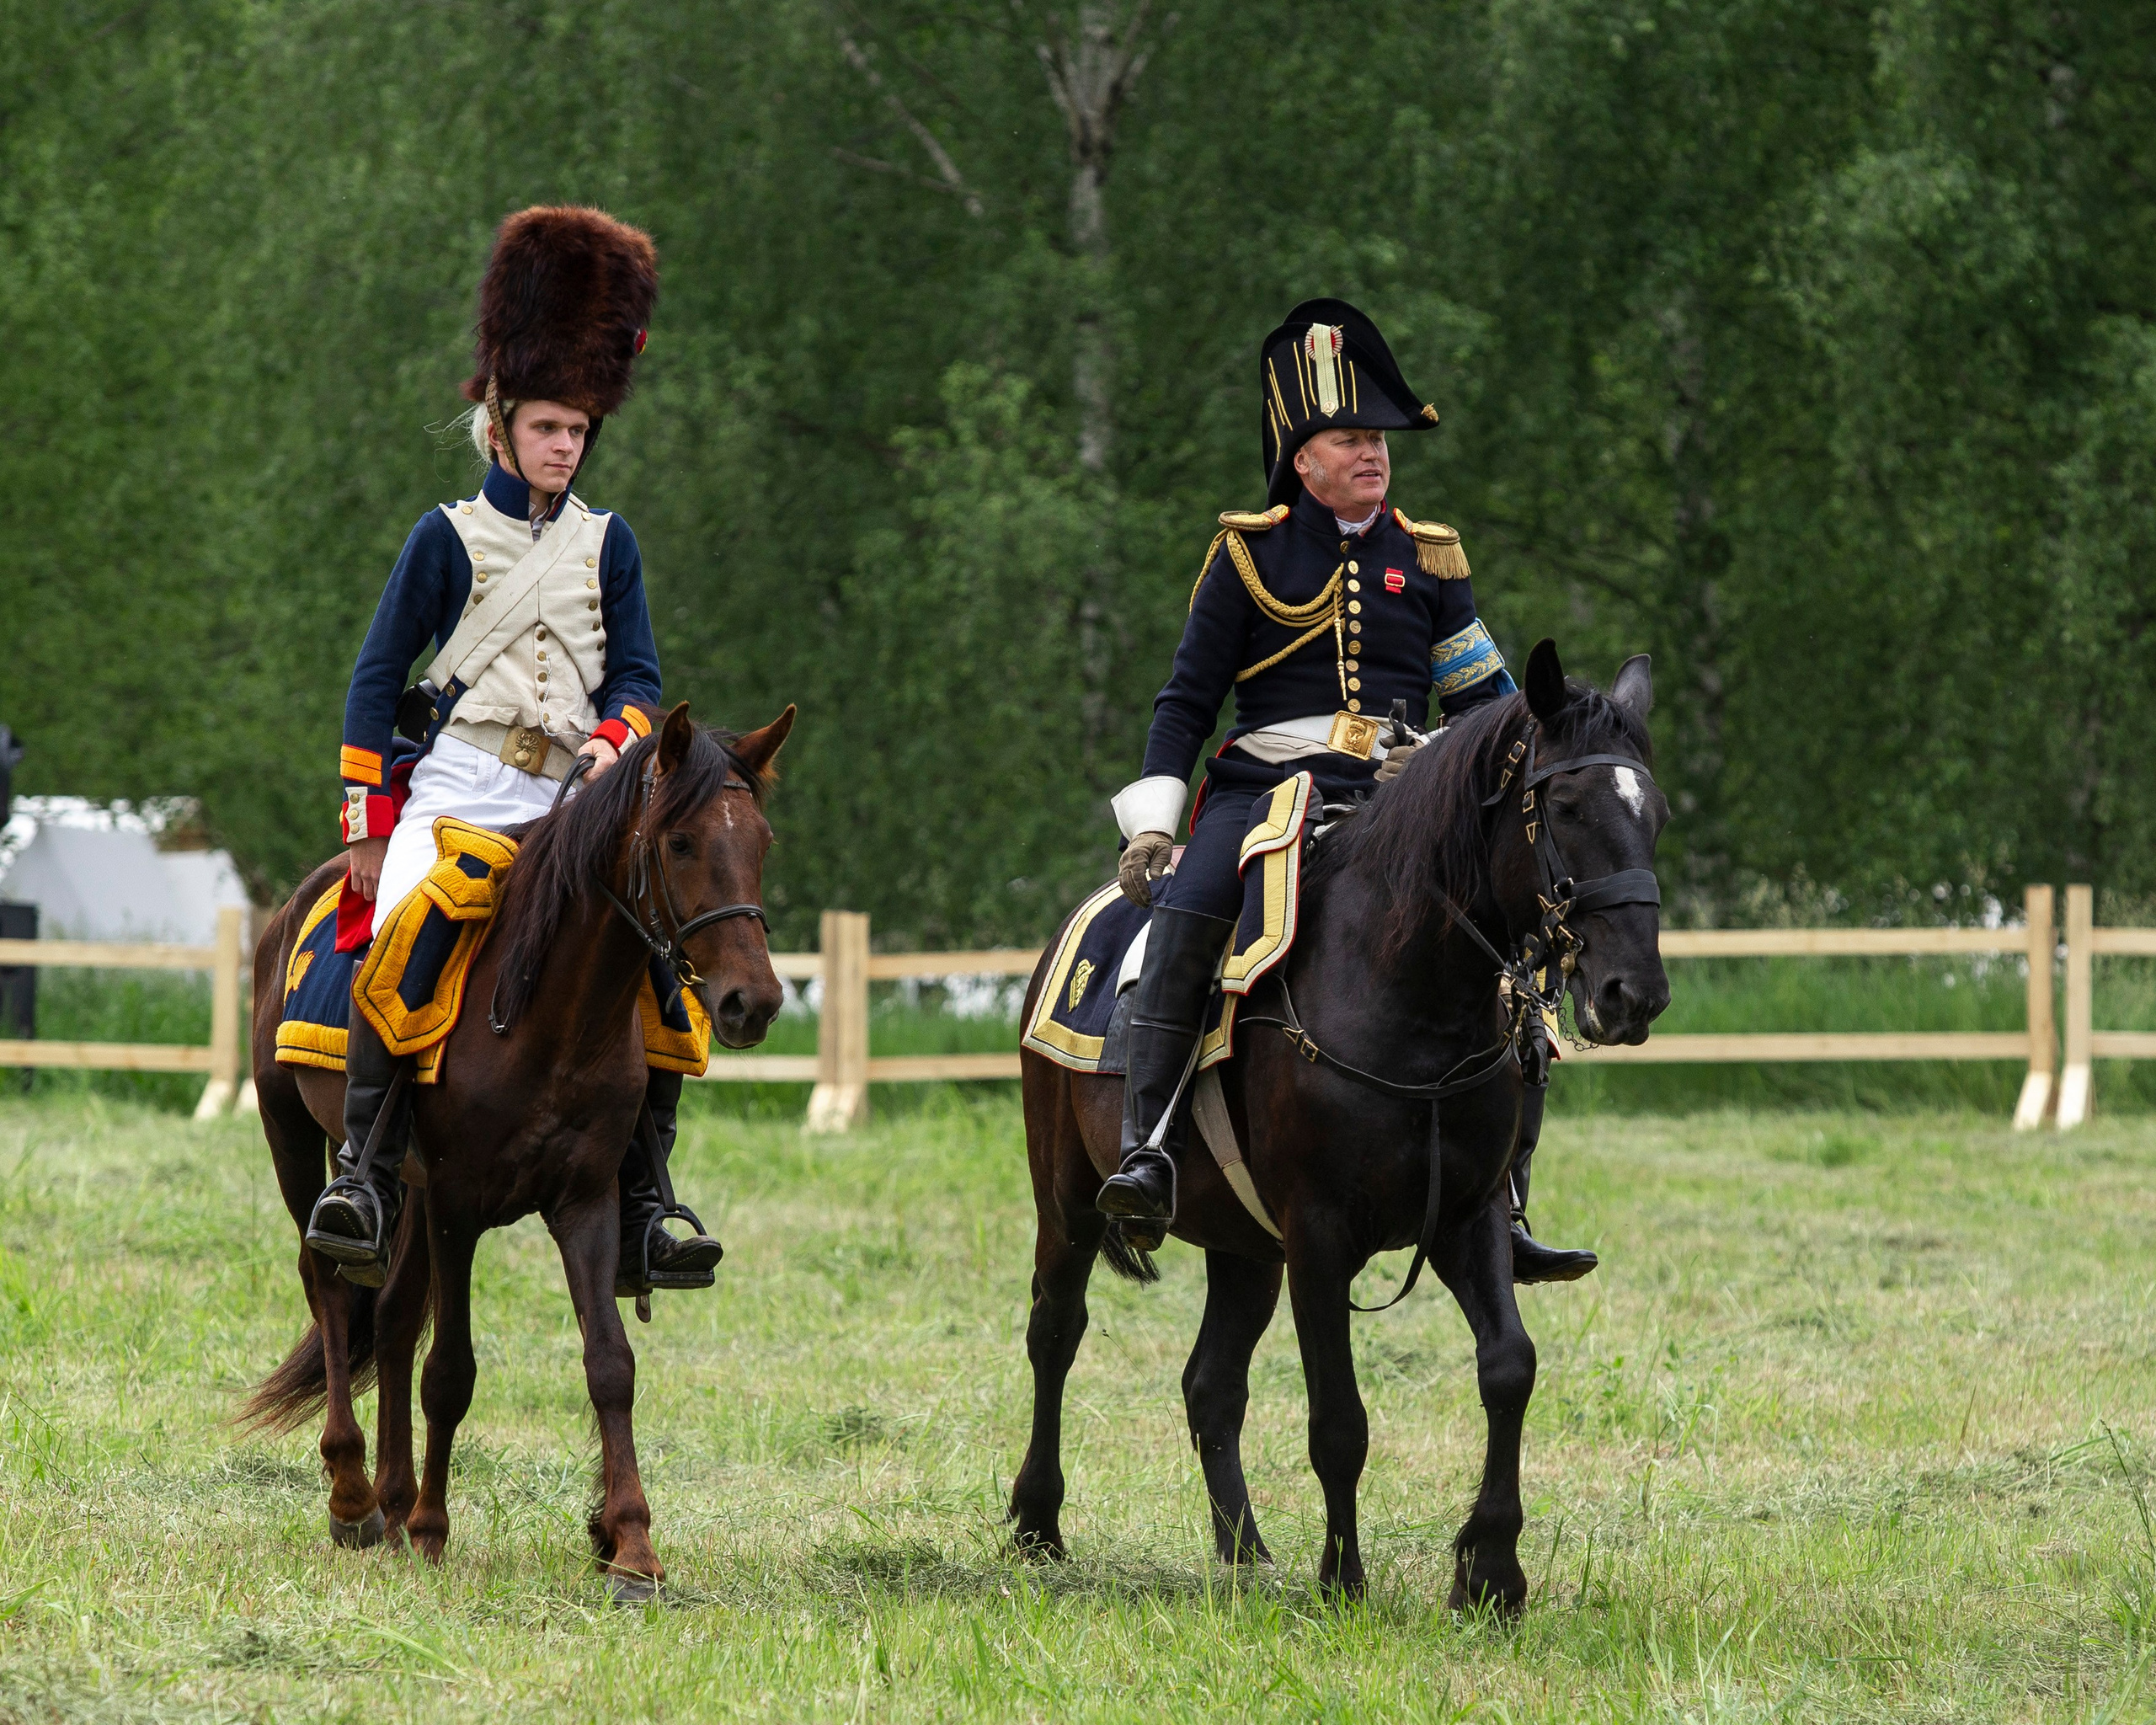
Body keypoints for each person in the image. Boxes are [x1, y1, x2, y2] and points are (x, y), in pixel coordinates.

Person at [1094, 298, 1595, 1284]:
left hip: (1404, 801)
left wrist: (1463, 765)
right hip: (1261, 793)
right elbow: (1187, 701)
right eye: (1351, 438)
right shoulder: (1247, 553)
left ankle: (1504, 1198)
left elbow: (1487, 703)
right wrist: (1154, 822)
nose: (1372, 453)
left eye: (1379, 439)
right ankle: (1148, 1149)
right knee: (1188, 919)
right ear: (1304, 458)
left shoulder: (1430, 555)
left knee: (1511, 959)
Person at [304, 205, 724, 1297]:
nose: (565, 445)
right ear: (501, 425)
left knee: (658, 971)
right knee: (399, 933)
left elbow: (638, 677)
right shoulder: (444, 537)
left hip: (570, 799)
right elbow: (373, 682)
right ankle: (365, 1178)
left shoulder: (608, 543)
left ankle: (648, 1202)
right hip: (455, 782)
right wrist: (368, 829)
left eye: (578, 430)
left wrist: (615, 743)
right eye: (547, 427)